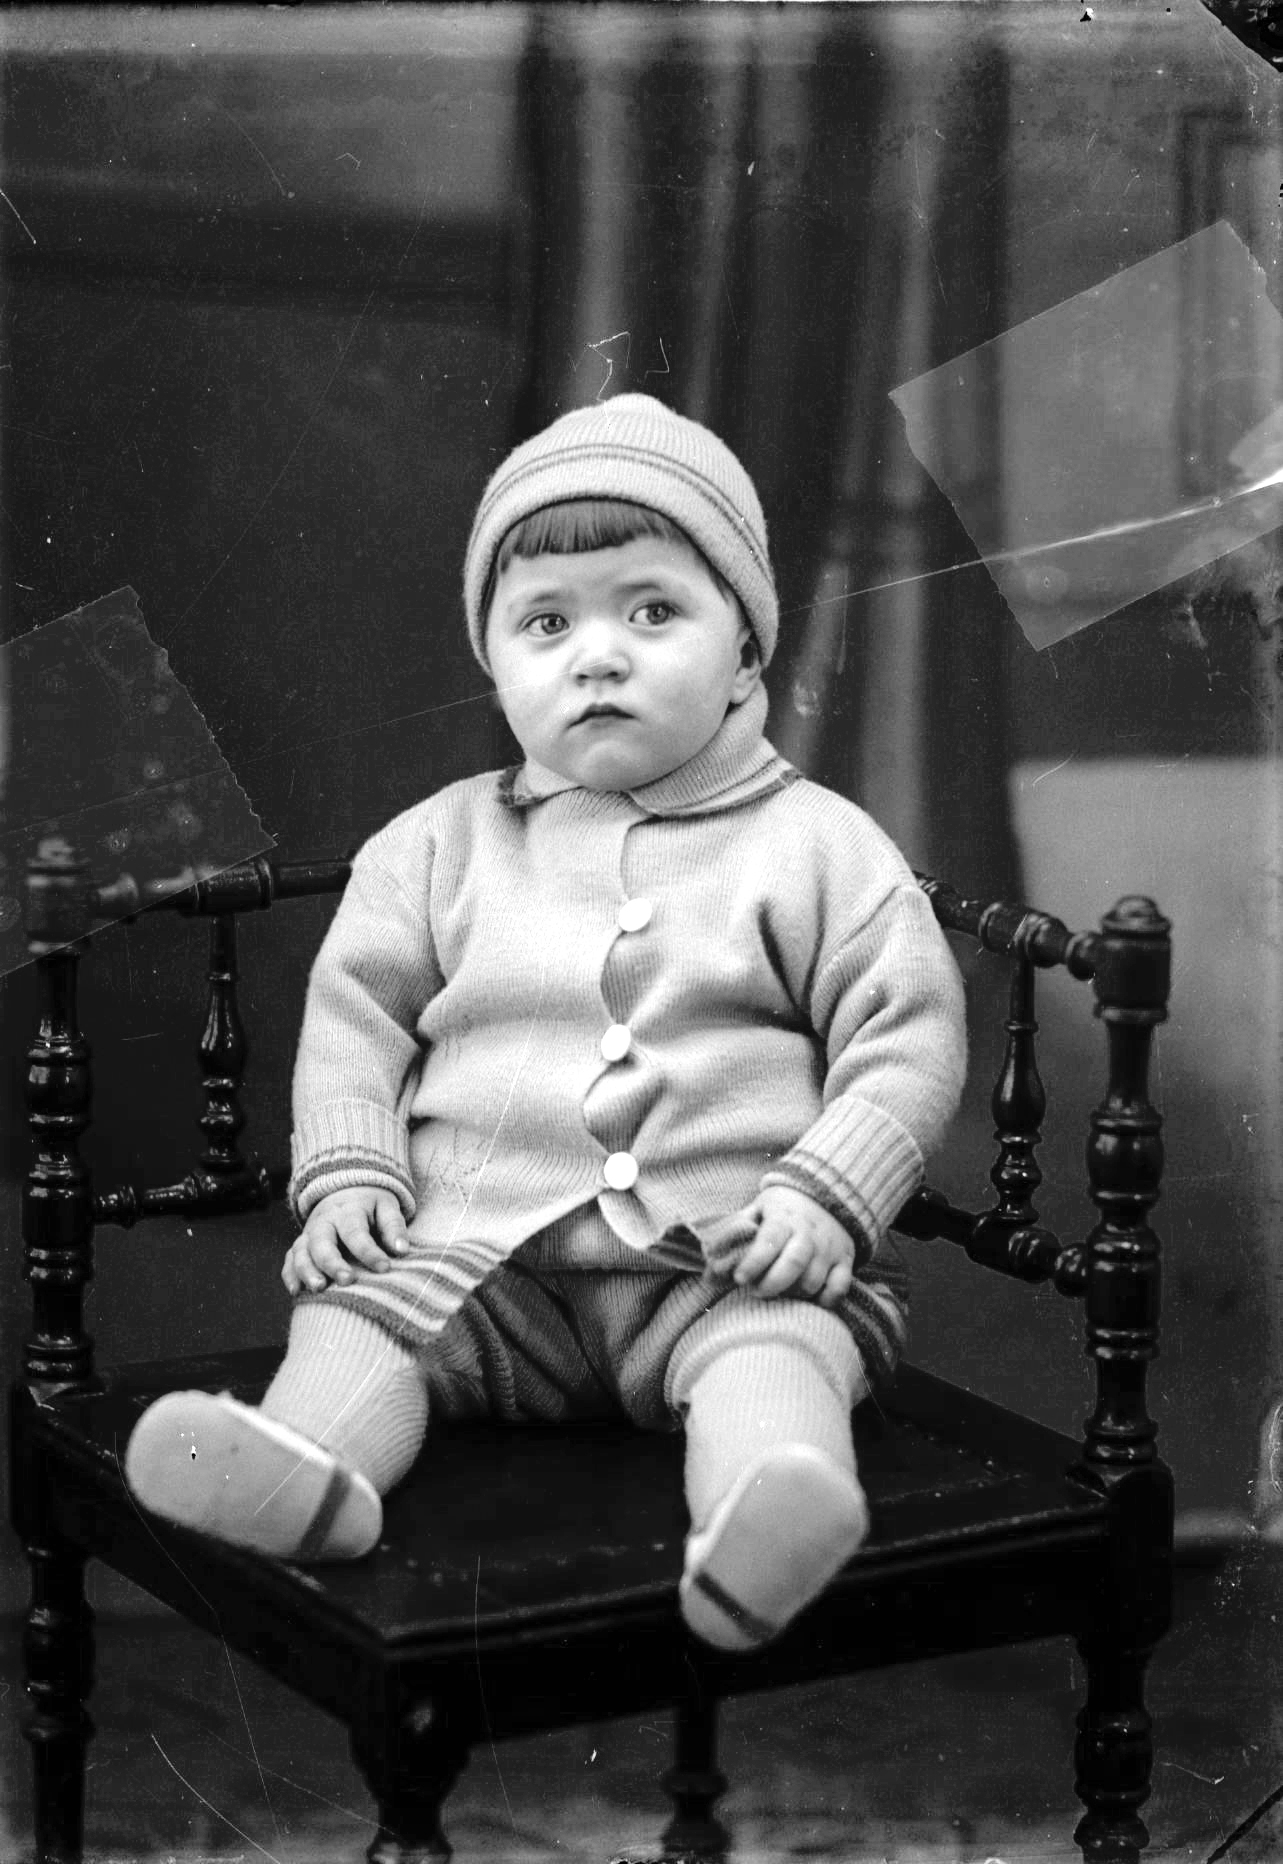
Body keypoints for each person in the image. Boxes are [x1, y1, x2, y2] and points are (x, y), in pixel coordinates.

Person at [126, 394, 967, 1651]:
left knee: (780, 1346)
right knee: (359, 1312)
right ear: (496, 661)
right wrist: (349, 1174)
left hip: (719, 1262)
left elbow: (906, 1032)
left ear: (746, 652)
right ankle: (309, 1470)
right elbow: (354, 1023)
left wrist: (823, 1198)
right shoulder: (435, 845)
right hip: (483, 1272)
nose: (598, 656)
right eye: (546, 622)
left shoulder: (817, 845)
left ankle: (764, 1513)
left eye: (652, 611)